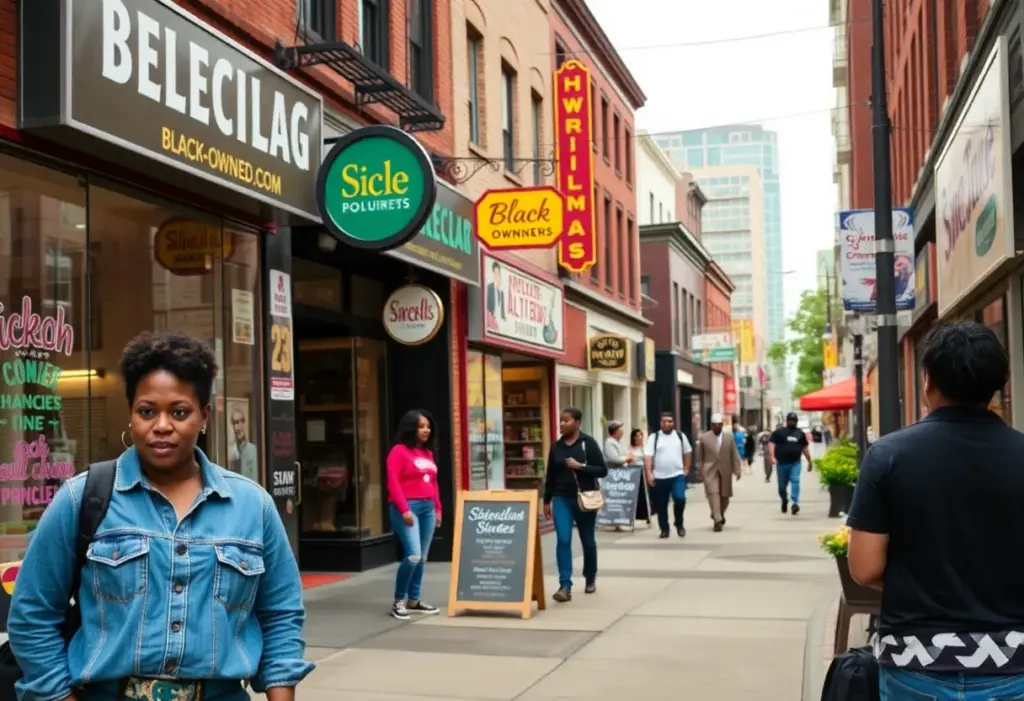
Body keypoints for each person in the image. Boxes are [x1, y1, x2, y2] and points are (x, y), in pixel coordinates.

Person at [8, 331, 313, 701]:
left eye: (179, 412)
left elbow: (280, 616)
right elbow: (32, 615)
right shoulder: (83, 498)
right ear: (132, 415)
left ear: (204, 416)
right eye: (147, 411)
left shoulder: (253, 506)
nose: (162, 425)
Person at [847, 322, 1024, 700]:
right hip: (1014, 664)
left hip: (915, 663)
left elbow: (863, 567)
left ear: (927, 381)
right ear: (1000, 384)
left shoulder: (888, 456)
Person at [543, 408, 607, 602]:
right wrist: (546, 500)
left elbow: (603, 470)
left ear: (577, 423)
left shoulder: (588, 444)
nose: (562, 424)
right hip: (561, 498)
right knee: (563, 539)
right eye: (561, 420)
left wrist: (581, 467)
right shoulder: (556, 447)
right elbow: (550, 476)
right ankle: (565, 585)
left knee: (587, 540)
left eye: (566, 420)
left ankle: (590, 577)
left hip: (584, 498)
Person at [386, 409, 443, 620]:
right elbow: (393, 482)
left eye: (428, 426)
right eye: (421, 426)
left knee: (422, 558)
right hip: (407, 508)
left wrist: (438, 509)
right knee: (413, 555)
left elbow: (434, 484)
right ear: (411, 428)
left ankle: (414, 600)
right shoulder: (398, 451)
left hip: (428, 508)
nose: (426, 430)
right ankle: (399, 600)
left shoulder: (429, 454)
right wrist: (404, 509)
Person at [642, 412, 692, 538]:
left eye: (670, 421)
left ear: (673, 423)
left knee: (680, 498)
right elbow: (648, 456)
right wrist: (649, 474)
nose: (667, 423)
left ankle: (679, 523)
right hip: (659, 476)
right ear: (660, 423)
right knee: (661, 505)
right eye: (664, 421)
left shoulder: (680, 436)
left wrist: (686, 468)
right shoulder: (654, 437)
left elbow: (687, 452)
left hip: (677, 475)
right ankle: (664, 528)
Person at [696, 413, 743, 531]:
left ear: (722, 425)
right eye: (715, 425)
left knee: (725, 497)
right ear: (711, 425)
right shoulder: (704, 438)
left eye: (719, 425)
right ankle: (717, 520)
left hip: (725, 470)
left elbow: (734, 454)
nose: (717, 427)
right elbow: (700, 457)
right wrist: (699, 471)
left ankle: (718, 513)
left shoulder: (729, 437)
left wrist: (737, 470)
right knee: (713, 493)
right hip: (709, 471)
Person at [767, 412, 812, 515]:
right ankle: (784, 499)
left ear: (796, 422)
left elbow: (804, 448)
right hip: (781, 463)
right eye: (790, 420)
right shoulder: (779, 432)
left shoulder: (800, 433)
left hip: (795, 463)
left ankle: (794, 503)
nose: (791, 422)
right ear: (786, 421)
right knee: (782, 487)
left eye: (793, 421)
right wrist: (772, 456)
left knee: (795, 480)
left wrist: (809, 461)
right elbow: (771, 444)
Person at [602, 421, 631, 532]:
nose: (622, 431)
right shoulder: (610, 442)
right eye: (620, 429)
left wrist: (627, 457)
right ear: (615, 431)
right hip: (613, 476)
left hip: (621, 475)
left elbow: (624, 454)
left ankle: (618, 521)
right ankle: (611, 520)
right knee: (612, 499)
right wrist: (627, 458)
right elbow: (615, 458)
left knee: (620, 499)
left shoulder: (618, 442)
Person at [229, 406, 259, 482]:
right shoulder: (231, 452)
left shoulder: (253, 450)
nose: (239, 427)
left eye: (241, 422)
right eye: (236, 422)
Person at [628, 428, 651, 526]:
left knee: (644, 495)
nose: (639, 437)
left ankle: (647, 515)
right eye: (636, 436)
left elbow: (648, 461)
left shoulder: (645, 448)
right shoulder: (630, 449)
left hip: (642, 473)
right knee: (634, 495)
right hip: (633, 473)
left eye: (640, 435)